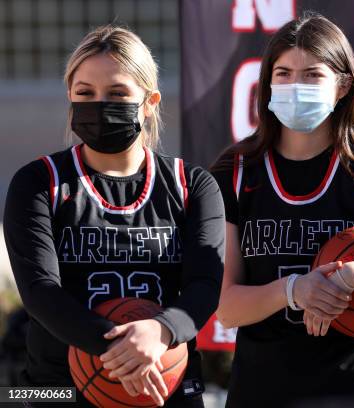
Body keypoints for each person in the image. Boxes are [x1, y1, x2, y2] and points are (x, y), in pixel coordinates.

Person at [3, 25, 225, 407]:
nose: (99, 103)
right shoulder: (38, 182)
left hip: (166, 383)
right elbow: (40, 292)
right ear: (70, 99)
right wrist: (125, 353)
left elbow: (206, 285)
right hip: (55, 389)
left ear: (150, 101)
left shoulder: (194, 185)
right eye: (84, 93)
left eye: (118, 92)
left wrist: (162, 331)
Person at [210, 13, 354, 407]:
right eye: (283, 73)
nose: (294, 85)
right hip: (262, 391)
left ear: (342, 86)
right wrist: (294, 290)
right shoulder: (235, 174)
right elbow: (227, 308)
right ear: (267, 83)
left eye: (312, 75)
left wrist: (353, 275)